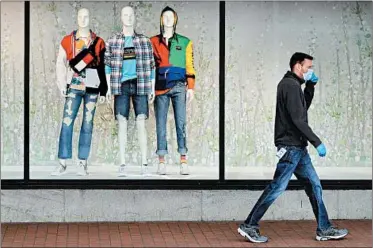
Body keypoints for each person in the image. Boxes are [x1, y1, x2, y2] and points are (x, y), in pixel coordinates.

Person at [237, 52, 349, 243]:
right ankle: (249, 225)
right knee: (277, 187)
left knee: (314, 186)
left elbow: (301, 109)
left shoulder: (293, 85)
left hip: (297, 148)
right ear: (298, 66)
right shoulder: (289, 85)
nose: (310, 70)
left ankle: (324, 228)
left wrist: (311, 85)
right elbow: (298, 119)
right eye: (309, 67)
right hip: (291, 147)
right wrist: (317, 142)